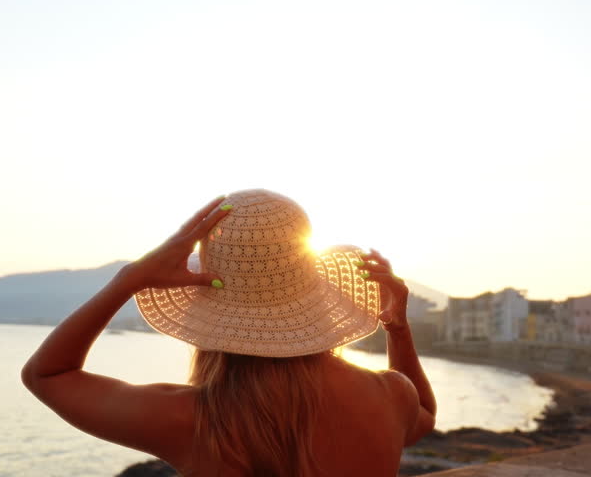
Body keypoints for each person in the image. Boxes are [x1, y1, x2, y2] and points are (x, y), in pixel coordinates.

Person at [22, 189, 436, 477]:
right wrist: (398, 330)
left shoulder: (195, 419)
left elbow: (48, 376)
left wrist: (128, 280)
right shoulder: (391, 394)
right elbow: (424, 419)